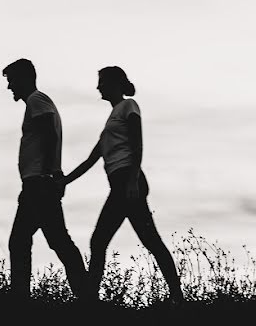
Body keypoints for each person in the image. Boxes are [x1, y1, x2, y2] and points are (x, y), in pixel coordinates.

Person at [59, 66, 183, 305]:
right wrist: (64, 181)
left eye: (102, 82)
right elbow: (90, 161)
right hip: (120, 183)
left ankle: (89, 302)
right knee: (148, 240)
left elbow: (138, 144)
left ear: (116, 83)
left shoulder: (129, 106)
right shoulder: (110, 123)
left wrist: (133, 180)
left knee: (102, 241)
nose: (98, 87)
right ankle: (177, 297)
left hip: (128, 180)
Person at [2, 58, 90, 301]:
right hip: (37, 184)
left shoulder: (36, 100)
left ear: (23, 79)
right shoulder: (36, 102)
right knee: (26, 241)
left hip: (40, 184)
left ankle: (85, 298)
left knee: (52, 242)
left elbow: (49, 134)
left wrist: (52, 174)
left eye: (11, 81)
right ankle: (83, 296)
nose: (10, 87)